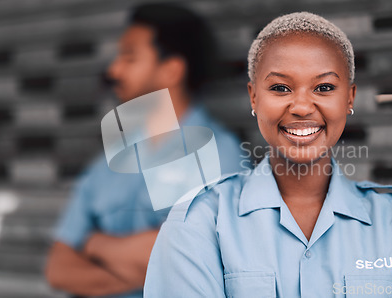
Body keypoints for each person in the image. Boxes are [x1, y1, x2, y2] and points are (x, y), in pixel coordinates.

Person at [144, 12, 392, 297]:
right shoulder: (198, 222)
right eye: (280, 88)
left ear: (349, 98)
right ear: (254, 97)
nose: (302, 107)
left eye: (324, 87)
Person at [45, 3, 247, 298]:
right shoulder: (108, 161)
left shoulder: (221, 158)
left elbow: (199, 262)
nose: (114, 70)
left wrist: (94, 245)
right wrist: (150, 265)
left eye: (129, 57)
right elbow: (58, 268)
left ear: (171, 70)